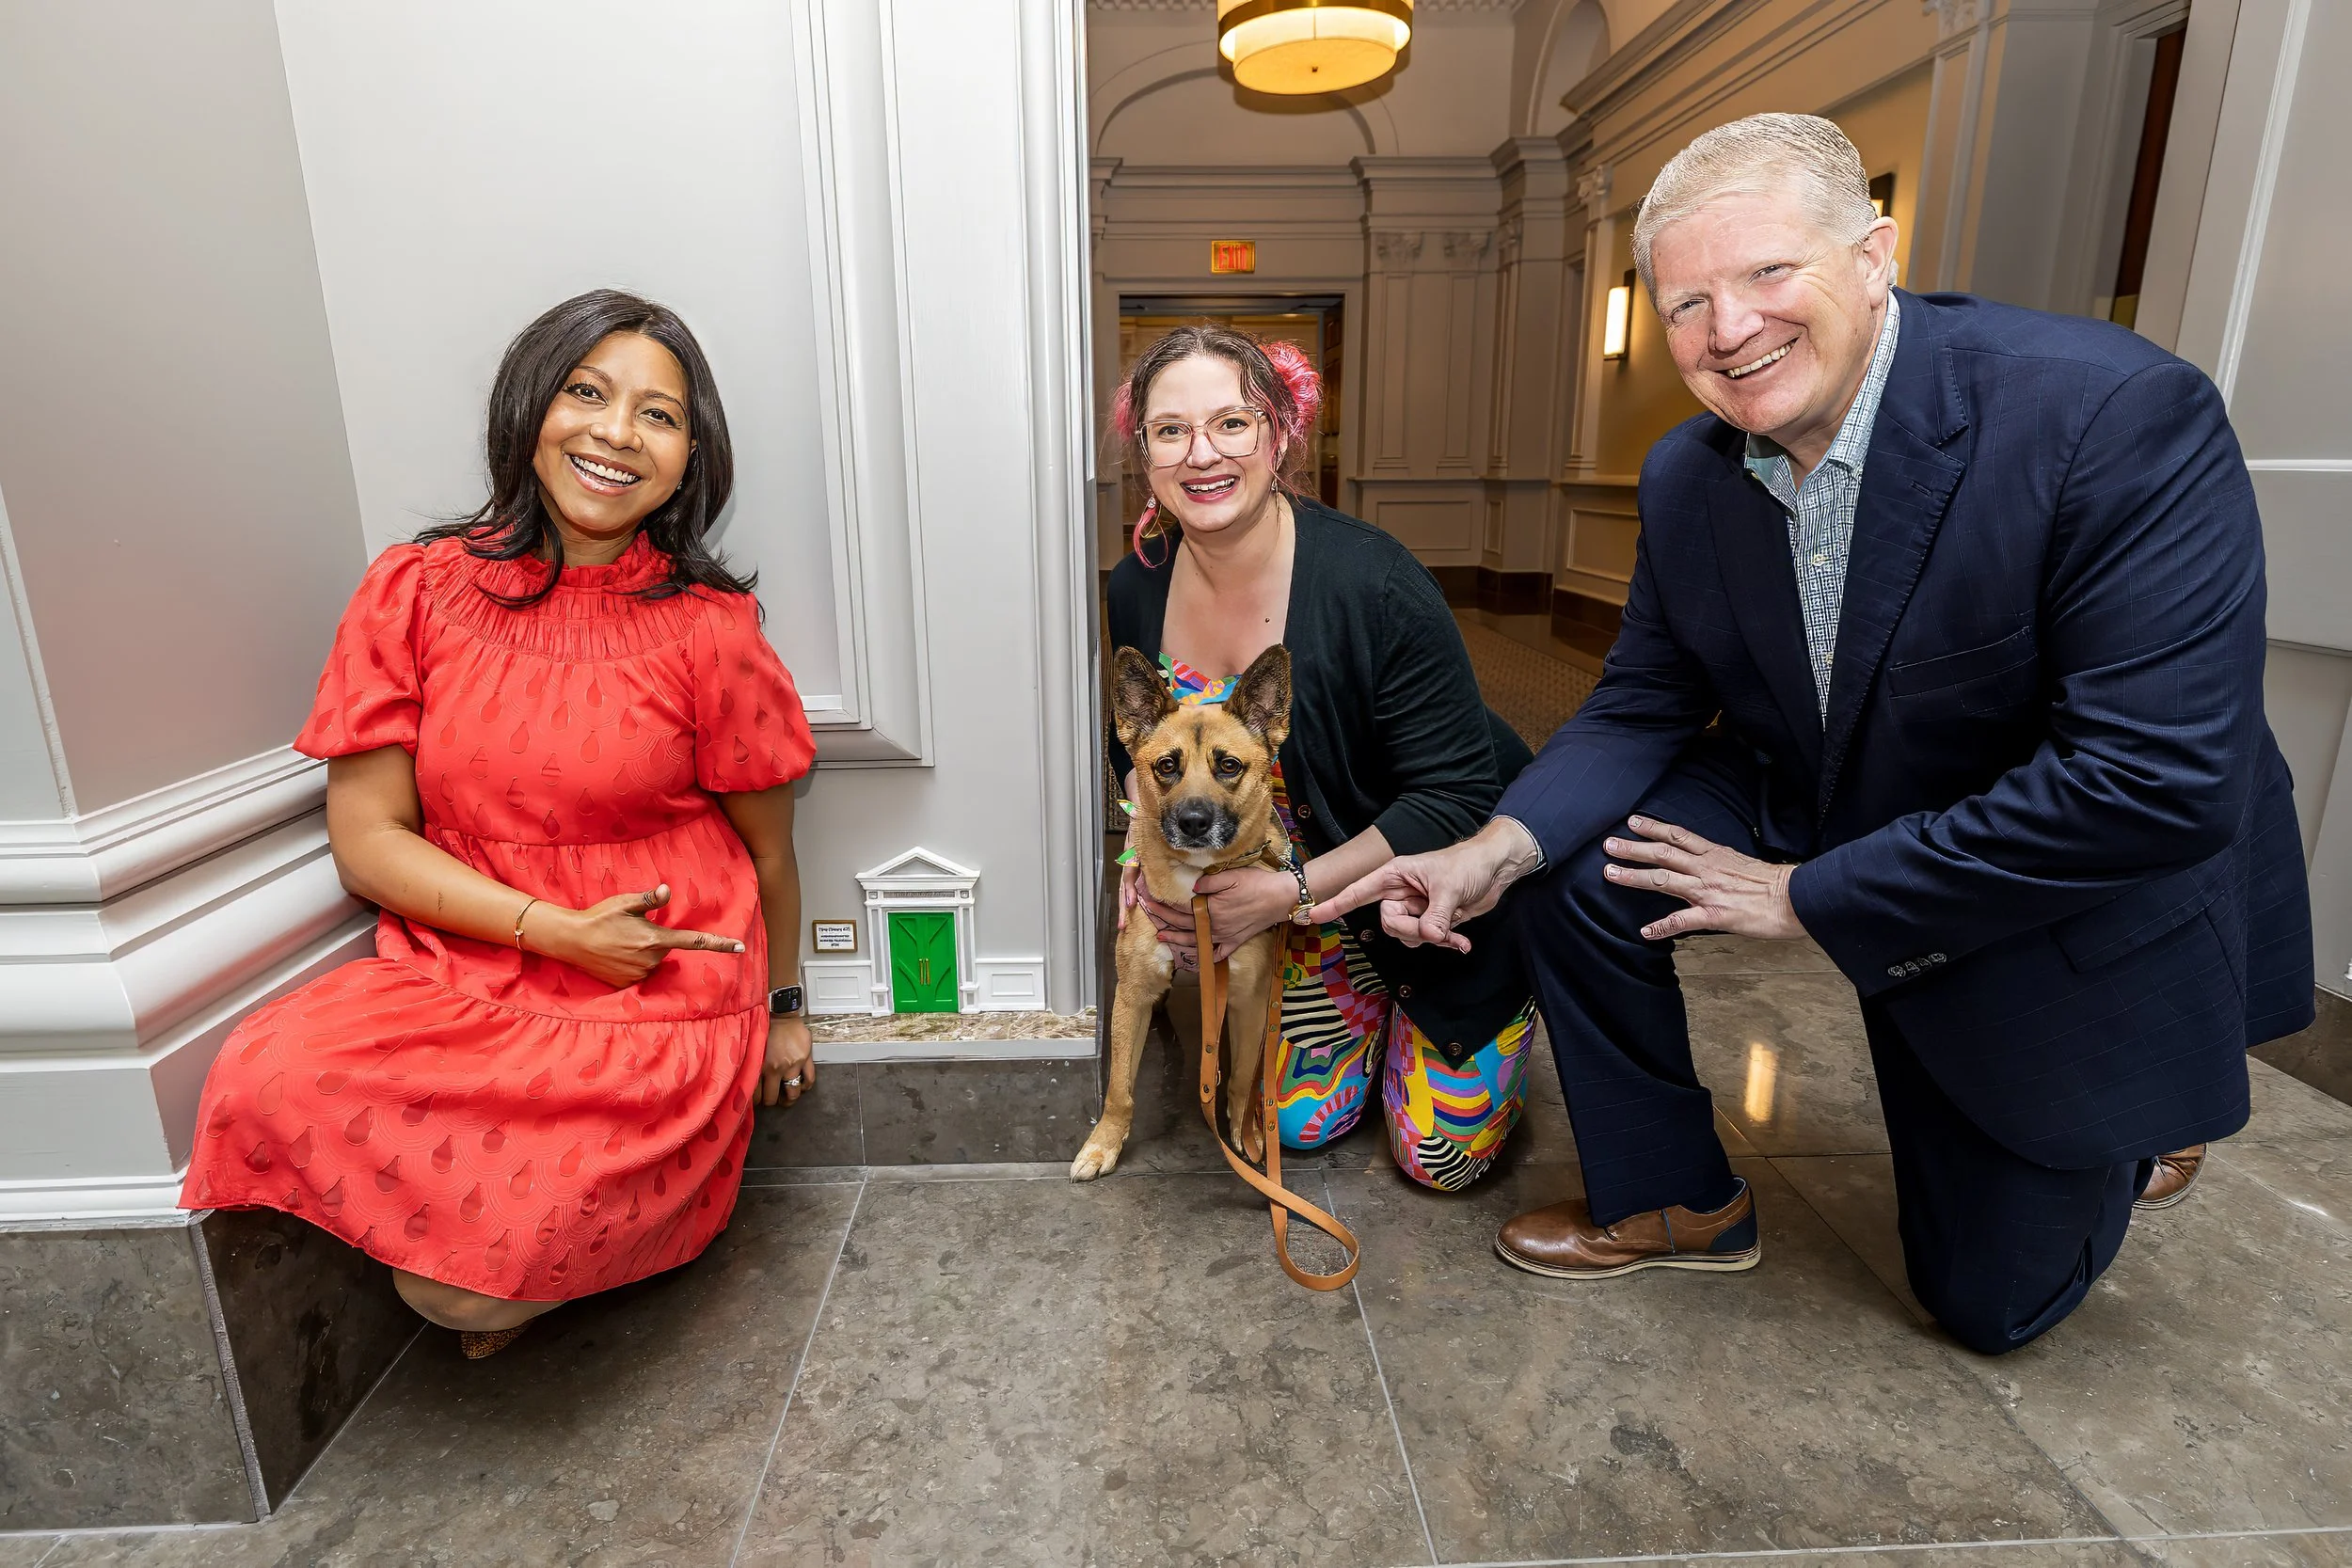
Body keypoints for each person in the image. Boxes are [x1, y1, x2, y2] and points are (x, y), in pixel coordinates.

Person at [1319, 115, 2312, 1351]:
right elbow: (1640, 703)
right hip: (1823, 767)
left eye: (1767, 274)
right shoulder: (1689, 474)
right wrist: (1495, 849)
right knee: (1577, 864)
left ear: (1875, 255)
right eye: (1686, 303)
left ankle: (2129, 1117)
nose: (1726, 330)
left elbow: (2150, 782)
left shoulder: (2113, 416)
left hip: (2051, 842)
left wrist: (1809, 896)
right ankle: (1675, 1195)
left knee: (1988, 1302)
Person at [182, 290, 818, 1357]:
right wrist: (550, 928)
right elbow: (369, 839)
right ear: (530, 409)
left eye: (658, 415)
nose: (617, 432)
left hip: (652, 983)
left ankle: (545, 1250)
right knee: (267, 1068)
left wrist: (786, 1007)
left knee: (464, 1300)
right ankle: (524, 1243)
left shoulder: (711, 630)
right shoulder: (413, 590)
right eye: (587, 392)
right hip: (469, 962)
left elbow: (767, 848)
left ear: (689, 456)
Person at [1104, 325, 1535, 1189]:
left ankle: (1469, 1002)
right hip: (1291, 908)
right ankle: (1356, 1001)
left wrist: (1292, 890)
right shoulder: (1136, 583)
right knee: (1295, 1124)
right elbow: (1137, 749)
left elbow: (1456, 791)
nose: (1202, 454)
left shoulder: (1373, 582)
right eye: (1171, 430)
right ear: (1143, 453)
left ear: (1279, 432)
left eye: (1231, 422)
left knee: (1439, 1159)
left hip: (1428, 890)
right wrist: (1140, 860)